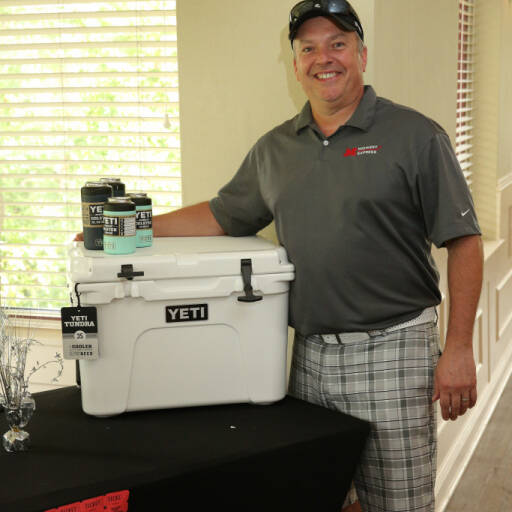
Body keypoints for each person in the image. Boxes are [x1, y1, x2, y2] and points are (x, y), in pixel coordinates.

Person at [82, 1, 484, 511]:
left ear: (361, 53)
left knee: (397, 503)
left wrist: (459, 349)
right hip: (308, 355)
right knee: (311, 494)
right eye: (308, 48)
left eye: (338, 44)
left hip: (394, 349)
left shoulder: (416, 136)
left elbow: (464, 240)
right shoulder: (276, 149)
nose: (324, 58)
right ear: (295, 65)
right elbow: (223, 215)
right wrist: (128, 227)